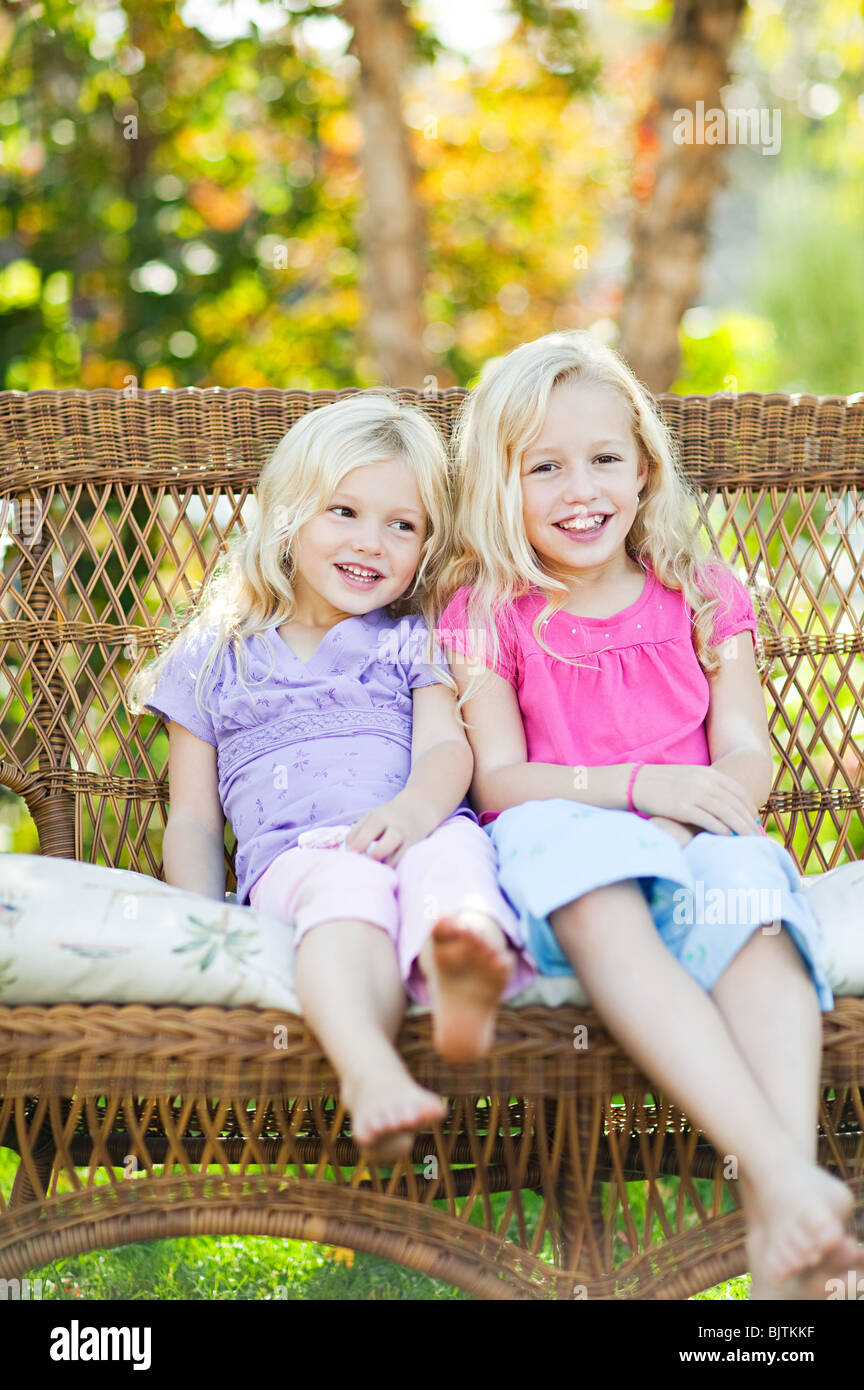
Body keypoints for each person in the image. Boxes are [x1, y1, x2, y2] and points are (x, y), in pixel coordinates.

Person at [435, 329, 861, 1299]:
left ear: (645, 468)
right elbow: (499, 779)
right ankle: (791, 1184)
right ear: (501, 486)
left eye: (603, 460)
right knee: (586, 879)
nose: (579, 489)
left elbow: (747, 751)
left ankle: (781, 1232)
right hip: (569, 839)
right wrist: (641, 791)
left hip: (697, 837)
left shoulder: (704, 596)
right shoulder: (487, 607)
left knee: (752, 895)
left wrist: (693, 814)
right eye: (544, 467)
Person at [128, 392, 533, 1162]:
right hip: (299, 856)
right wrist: (200, 921)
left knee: (455, 859)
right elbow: (191, 818)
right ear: (288, 515)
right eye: (343, 511)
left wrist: (416, 813)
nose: (371, 543)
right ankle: (373, 1075)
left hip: (417, 825)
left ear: (426, 546)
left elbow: (449, 749)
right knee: (348, 896)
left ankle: (464, 969)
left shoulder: (410, 640)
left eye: (402, 525)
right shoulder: (214, 655)